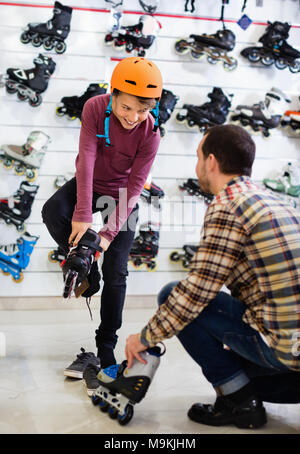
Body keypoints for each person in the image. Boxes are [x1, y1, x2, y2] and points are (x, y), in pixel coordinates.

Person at [125, 124, 300, 429]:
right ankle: (249, 390)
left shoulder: (227, 205)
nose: (197, 167)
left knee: (172, 293)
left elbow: (197, 292)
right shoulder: (276, 201)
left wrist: (143, 338)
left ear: (211, 161)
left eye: (197, 157)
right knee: (244, 362)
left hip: (284, 351)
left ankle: (241, 402)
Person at [42, 56, 163, 394]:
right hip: (91, 183)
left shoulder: (151, 132)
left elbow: (137, 185)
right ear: (113, 94)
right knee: (54, 211)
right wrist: (82, 212)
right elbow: (87, 159)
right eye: (127, 107)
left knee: (118, 271)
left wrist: (107, 233)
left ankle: (106, 345)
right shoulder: (95, 108)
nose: (133, 117)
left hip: (123, 195)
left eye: (143, 111)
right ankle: (85, 270)